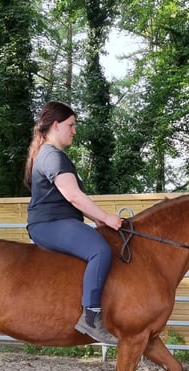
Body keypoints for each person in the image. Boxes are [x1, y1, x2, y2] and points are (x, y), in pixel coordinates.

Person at [24, 101, 123, 344]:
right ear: (55, 125)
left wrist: (97, 219)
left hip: (58, 221)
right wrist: (106, 217)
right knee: (99, 250)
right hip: (50, 223)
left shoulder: (48, 155)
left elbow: (70, 199)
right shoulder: (52, 157)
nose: (74, 130)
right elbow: (73, 196)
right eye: (71, 125)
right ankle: (90, 317)